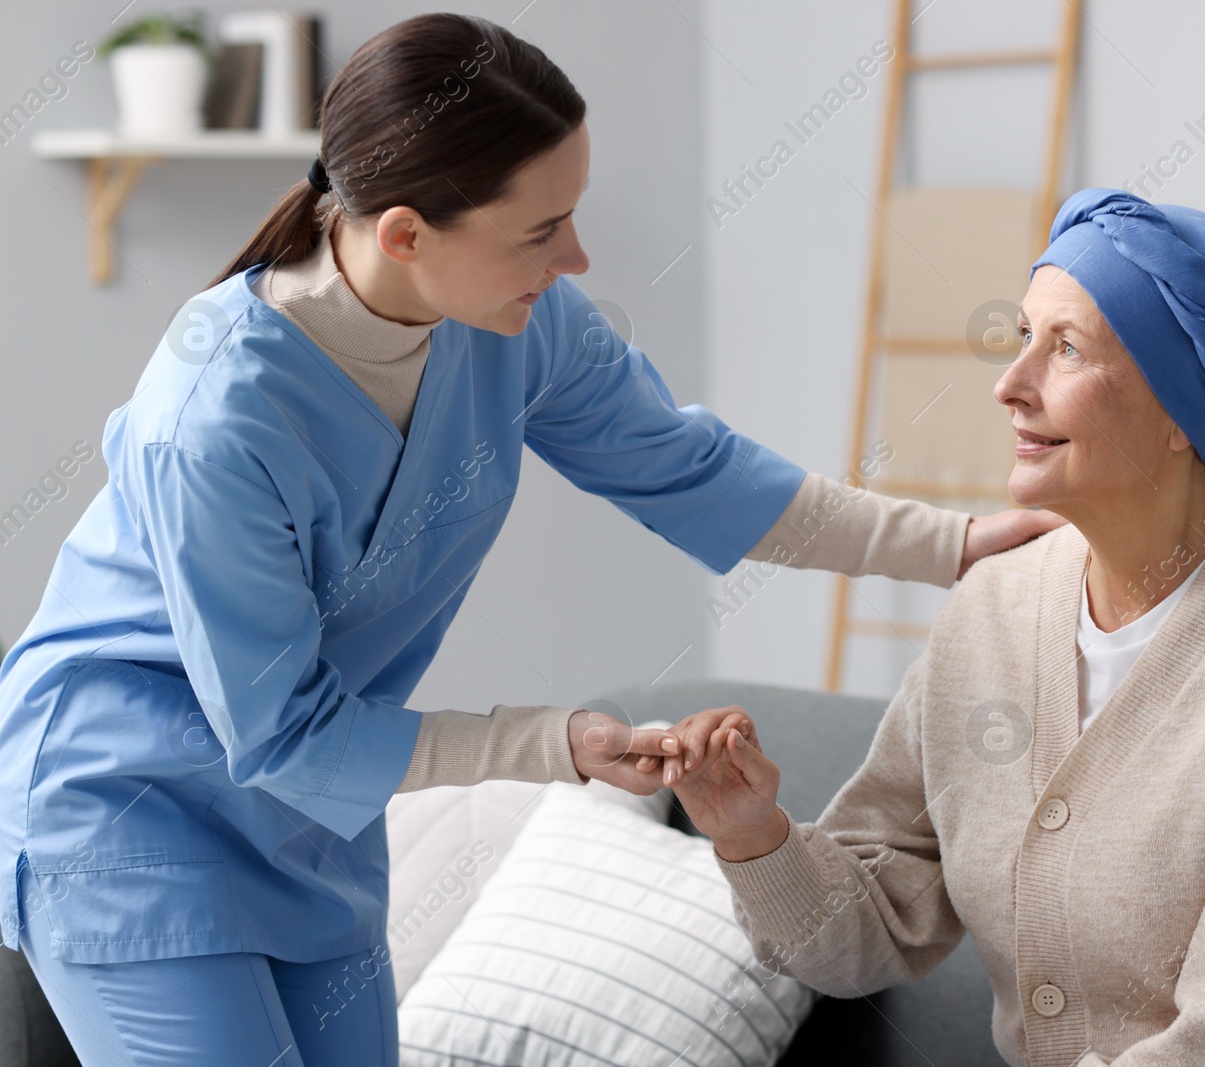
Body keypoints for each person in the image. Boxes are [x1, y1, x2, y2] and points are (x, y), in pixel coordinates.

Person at [0, 14, 1059, 1065]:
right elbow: (279, 734)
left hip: (312, 821)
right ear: (407, 233)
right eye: (541, 229)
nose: (577, 255)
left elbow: (696, 470)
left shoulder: (519, 319)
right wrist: (548, 741)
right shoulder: (216, 415)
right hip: (131, 811)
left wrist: (963, 545)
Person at [670, 189, 1205, 1065]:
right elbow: (875, 925)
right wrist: (751, 832)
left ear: (1181, 419)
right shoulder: (992, 609)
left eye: (1067, 348)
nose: (1010, 386)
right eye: (1021, 340)